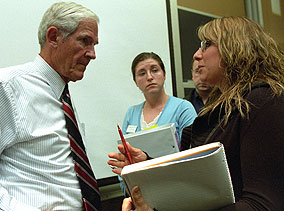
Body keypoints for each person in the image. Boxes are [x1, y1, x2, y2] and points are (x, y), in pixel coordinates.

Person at [108, 16, 284, 210]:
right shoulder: (222, 106)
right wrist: (146, 163)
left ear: (235, 46)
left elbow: (261, 204)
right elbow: (195, 177)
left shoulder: (264, 102)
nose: (196, 55)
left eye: (206, 45)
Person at [0, 2, 101, 210]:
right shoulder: (4, 86)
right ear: (54, 37)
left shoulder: (63, 97)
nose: (92, 54)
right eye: (85, 41)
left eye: (94, 45)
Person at [118, 52, 197, 195]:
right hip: (141, 193)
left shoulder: (183, 108)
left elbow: (195, 156)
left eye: (154, 70)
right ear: (135, 81)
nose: (149, 77)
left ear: (164, 74)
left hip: (178, 191)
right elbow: (124, 160)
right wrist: (129, 190)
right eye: (142, 73)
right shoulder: (131, 114)